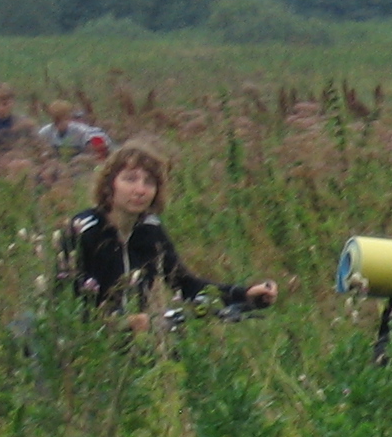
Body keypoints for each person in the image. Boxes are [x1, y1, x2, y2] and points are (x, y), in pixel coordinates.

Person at [59, 137, 277, 331]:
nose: (140, 190)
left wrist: (245, 294)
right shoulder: (84, 229)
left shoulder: (150, 230)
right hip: (89, 345)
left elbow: (185, 285)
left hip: (140, 341)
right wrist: (121, 322)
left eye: (149, 182)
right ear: (109, 185)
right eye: (130, 179)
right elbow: (65, 303)